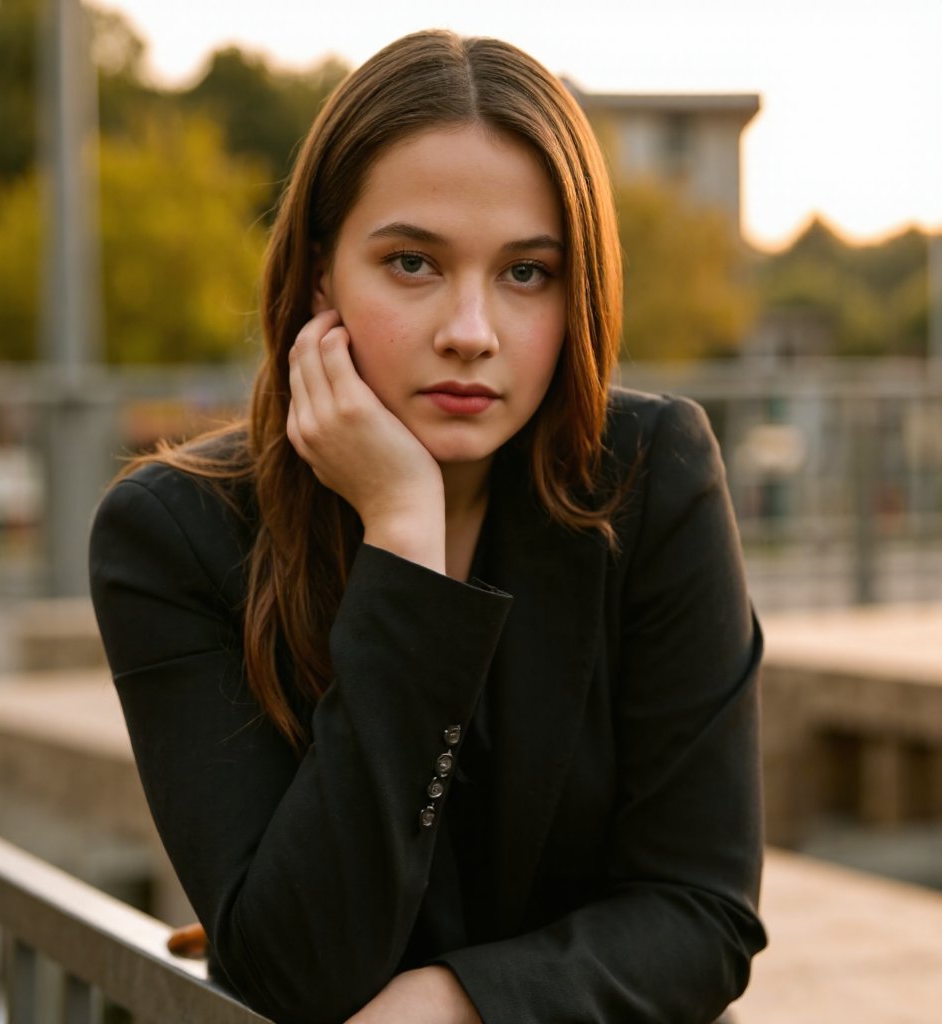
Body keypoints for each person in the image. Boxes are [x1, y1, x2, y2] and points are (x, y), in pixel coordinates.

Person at [89, 28, 766, 1024]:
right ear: (321, 275)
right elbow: (293, 969)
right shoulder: (175, 537)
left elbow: (701, 913)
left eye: (525, 273)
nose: (471, 329)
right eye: (412, 262)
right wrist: (402, 539)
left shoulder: (650, 478)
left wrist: (456, 1004)